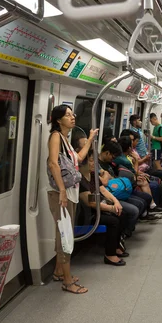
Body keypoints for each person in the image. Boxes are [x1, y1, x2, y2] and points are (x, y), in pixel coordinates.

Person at [46, 104, 97, 294]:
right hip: (62, 194)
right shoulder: (56, 137)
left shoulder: (66, 140)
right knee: (65, 237)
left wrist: (90, 139)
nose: (72, 117)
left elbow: (78, 159)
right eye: (68, 115)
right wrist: (61, 190)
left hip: (69, 193)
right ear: (58, 120)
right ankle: (67, 282)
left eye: (72, 114)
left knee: (64, 234)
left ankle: (59, 272)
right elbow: (53, 163)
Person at [78, 148, 127, 266]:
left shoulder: (92, 175)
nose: (94, 163)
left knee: (122, 213)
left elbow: (103, 190)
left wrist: (116, 202)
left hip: (98, 209)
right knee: (113, 221)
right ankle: (109, 255)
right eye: (91, 160)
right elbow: (90, 202)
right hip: (87, 214)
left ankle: (116, 246)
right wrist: (111, 208)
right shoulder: (79, 179)